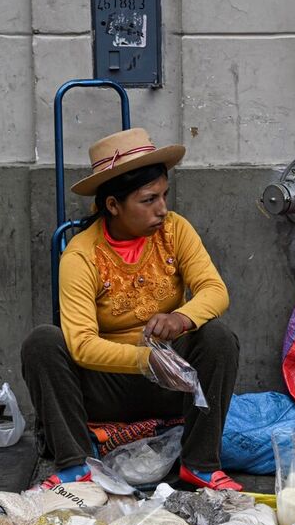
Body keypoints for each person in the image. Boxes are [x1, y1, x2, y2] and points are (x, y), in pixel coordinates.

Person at [22, 127, 242, 490]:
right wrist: (144, 360)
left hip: (170, 381)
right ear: (113, 205)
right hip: (107, 390)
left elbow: (214, 290)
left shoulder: (175, 231)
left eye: (164, 195)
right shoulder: (81, 255)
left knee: (217, 336)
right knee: (43, 342)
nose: (162, 209)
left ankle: (200, 464)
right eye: (148, 200)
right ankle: (76, 466)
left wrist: (181, 318)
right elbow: (80, 344)